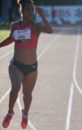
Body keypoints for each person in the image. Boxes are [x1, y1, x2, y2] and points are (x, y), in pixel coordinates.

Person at [0, 0, 52, 129]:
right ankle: (10, 112)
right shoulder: (14, 26)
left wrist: (43, 16)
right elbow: (10, 39)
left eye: (32, 9)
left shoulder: (36, 26)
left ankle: (25, 114)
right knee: (16, 87)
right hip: (16, 65)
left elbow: (50, 30)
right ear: (22, 11)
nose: (31, 12)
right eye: (28, 9)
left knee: (27, 94)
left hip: (31, 67)